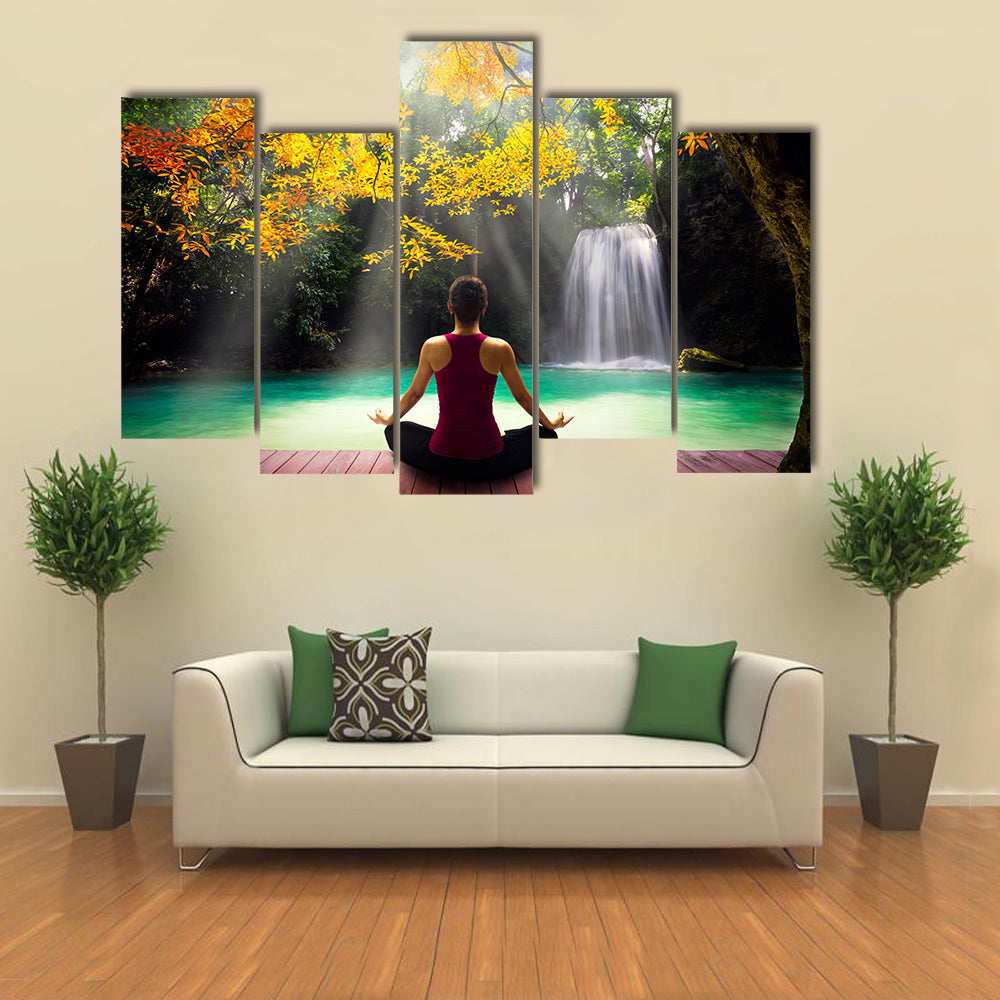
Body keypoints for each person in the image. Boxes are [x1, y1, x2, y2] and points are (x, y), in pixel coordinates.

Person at [368, 275, 572, 480]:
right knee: (547, 436)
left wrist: (388, 419)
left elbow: (414, 395)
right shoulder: (500, 348)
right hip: (490, 461)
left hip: (441, 461)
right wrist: (550, 423)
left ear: (450, 306)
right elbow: (522, 397)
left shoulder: (432, 346)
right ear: (484, 307)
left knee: (393, 431)